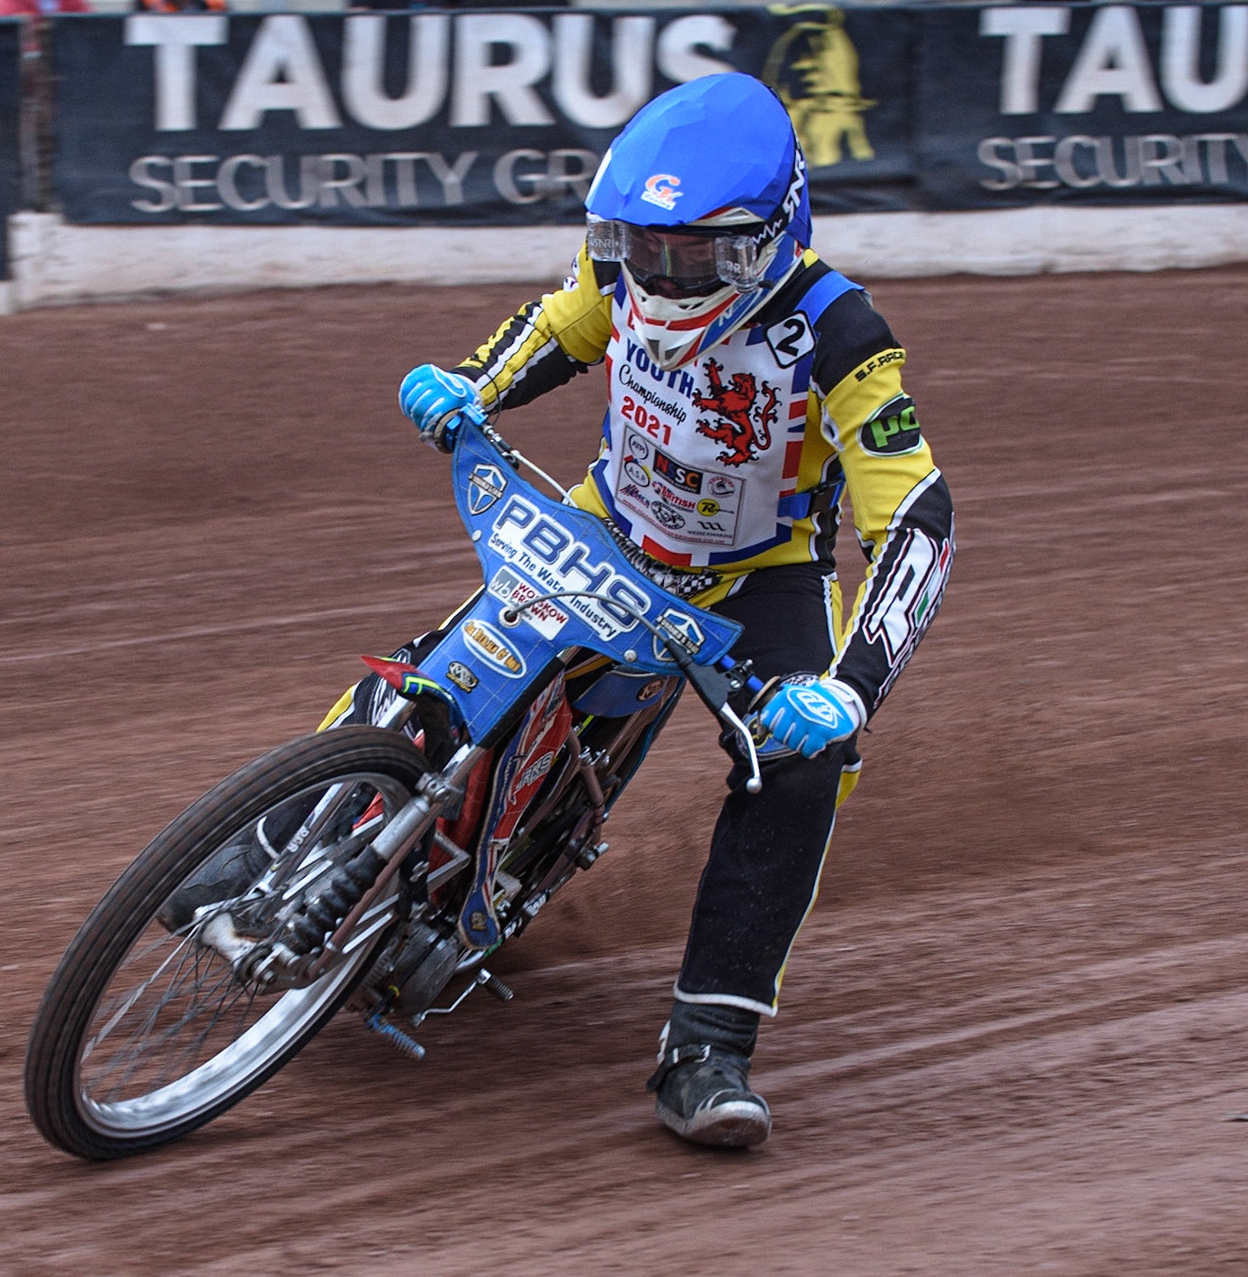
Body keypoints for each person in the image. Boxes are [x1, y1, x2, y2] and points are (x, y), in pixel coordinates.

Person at [394, 73, 954, 1148]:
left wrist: (849, 690)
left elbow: (918, 517)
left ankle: (708, 1046)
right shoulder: (625, 267)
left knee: (803, 765)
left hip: (760, 580)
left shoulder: (840, 330)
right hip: (609, 525)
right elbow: (567, 321)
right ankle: (287, 831)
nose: (658, 276)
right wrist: (475, 383)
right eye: (639, 247)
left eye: (696, 256)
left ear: (771, 233)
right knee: (460, 661)